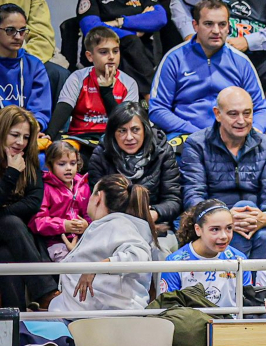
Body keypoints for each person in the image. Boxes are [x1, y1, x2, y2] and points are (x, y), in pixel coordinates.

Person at [180, 87, 266, 258]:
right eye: (233, 114)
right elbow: (193, 195)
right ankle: (244, 275)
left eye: (247, 113)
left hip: (256, 222)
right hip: (213, 223)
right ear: (217, 114)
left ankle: (242, 274)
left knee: (263, 235)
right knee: (251, 234)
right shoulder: (197, 144)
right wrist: (224, 219)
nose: (241, 121)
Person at [150, 0, 266, 143]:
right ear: (195, 26)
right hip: (186, 136)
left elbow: (260, 109)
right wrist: (196, 133)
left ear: (228, 27)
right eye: (208, 24)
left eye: (222, 24)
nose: (216, 31)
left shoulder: (241, 62)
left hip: (232, 137)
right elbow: (158, 109)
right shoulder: (174, 59)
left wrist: (254, 130)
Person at [48, 173, 157, 313]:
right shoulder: (108, 225)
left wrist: (96, 267)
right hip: (85, 313)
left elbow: (139, 256)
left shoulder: (119, 224)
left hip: (104, 316)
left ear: (98, 197)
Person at [86, 103, 184, 236]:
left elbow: (173, 200)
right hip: (112, 228)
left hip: (154, 226)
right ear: (113, 133)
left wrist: (154, 213)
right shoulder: (101, 155)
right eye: (122, 131)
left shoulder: (163, 152)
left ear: (145, 129)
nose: (129, 137)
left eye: (135, 130)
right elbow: (98, 202)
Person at [0, 106, 55, 309]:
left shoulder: (28, 159)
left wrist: (2, 212)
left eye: (25, 137)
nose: (20, 142)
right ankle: (46, 292)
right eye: (14, 135)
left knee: (6, 255)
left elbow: (33, 202)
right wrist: (12, 173)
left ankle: (16, 320)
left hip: (12, 236)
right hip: (14, 229)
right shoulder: (16, 166)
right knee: (11, 223)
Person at [48, 27, 138, 147]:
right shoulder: (78, 77)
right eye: (104, 52)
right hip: (79, 138)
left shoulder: (129, 83)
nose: (111, 57)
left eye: (115, 51)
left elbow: (123, 123)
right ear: (90, 56)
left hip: (113, 140)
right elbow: (64, 108)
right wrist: (49, 135)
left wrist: (106, 90)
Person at [159, 200, 252, 304]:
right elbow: (169, 306)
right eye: (215, 229)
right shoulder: (174, 262)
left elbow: (248, 304)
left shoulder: (239, 259)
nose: (224, 236)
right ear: (198, 229)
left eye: (229, 228)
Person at [30, 141, 90, 262]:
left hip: (82, 240)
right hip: (56, 243)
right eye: (62, 164)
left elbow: (90, 215)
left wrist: (87, 226)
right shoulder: (45, 188)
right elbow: (37, 222)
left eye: (73, 163)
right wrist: (63, 225)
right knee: (69, 265)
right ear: (50, 165)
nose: (68, 168)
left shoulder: (83, 186)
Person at [0, 4, 49, 129]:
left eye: (22, 31)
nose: (18, 37)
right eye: (10, 30)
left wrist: (32, 130)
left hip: (25, 133)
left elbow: (40, 113)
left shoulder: (34, 66)